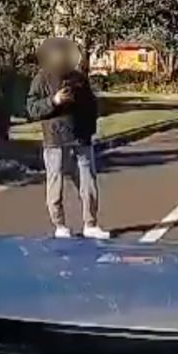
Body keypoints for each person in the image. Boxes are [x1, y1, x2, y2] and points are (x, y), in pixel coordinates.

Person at [27, 37, 110, 239]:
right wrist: (54, 101)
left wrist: (89, 130)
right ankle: (60, 225)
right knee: (55, 184)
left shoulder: (79, 78)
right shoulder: (41, 79)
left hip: (81, 139)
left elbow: (92, 105)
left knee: (87, 183)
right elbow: (31, 108)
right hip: (55, 140)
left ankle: (90, 224)